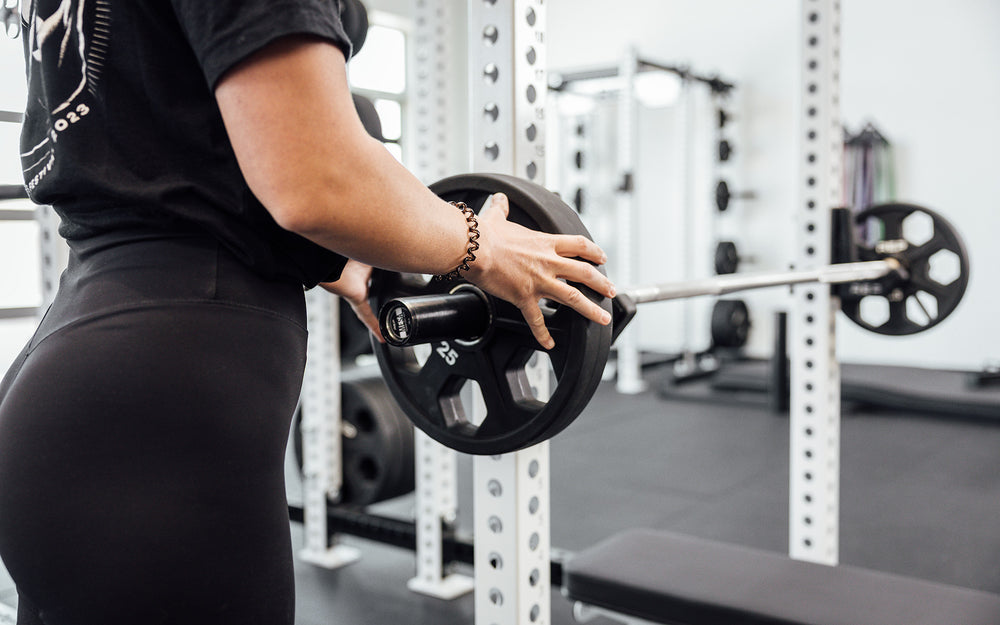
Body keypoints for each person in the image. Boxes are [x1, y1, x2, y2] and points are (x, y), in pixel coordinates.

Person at [0, 1, 616, 624]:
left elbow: (174, 156)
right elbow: (316, 181)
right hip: (161, 410)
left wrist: (329, 261)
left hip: (83, 373)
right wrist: (480, 246)